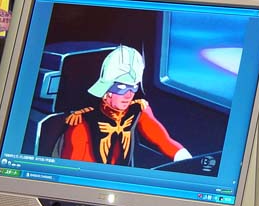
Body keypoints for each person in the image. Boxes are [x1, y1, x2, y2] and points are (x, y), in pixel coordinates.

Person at [58, 45, 192, 166]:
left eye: (133, 88)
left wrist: (188, 163)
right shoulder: (82, 122)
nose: (129, 95)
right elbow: (72, 168)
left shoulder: (138, 110)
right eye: (122, 88)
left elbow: (164, 141)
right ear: (106, 91)